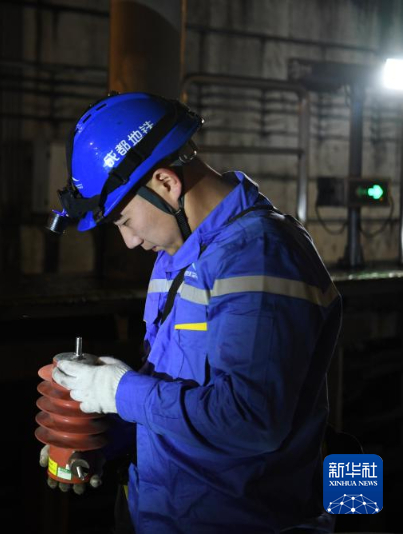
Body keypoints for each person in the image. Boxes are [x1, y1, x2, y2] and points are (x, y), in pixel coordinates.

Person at [48, 92, 341, 533]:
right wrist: (99, 439)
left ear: (166, 184)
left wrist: (120, 391)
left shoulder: (259, 255)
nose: (130, 241)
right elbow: (173, 399)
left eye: (125, 221)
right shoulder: (174, 255)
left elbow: (251, 419)